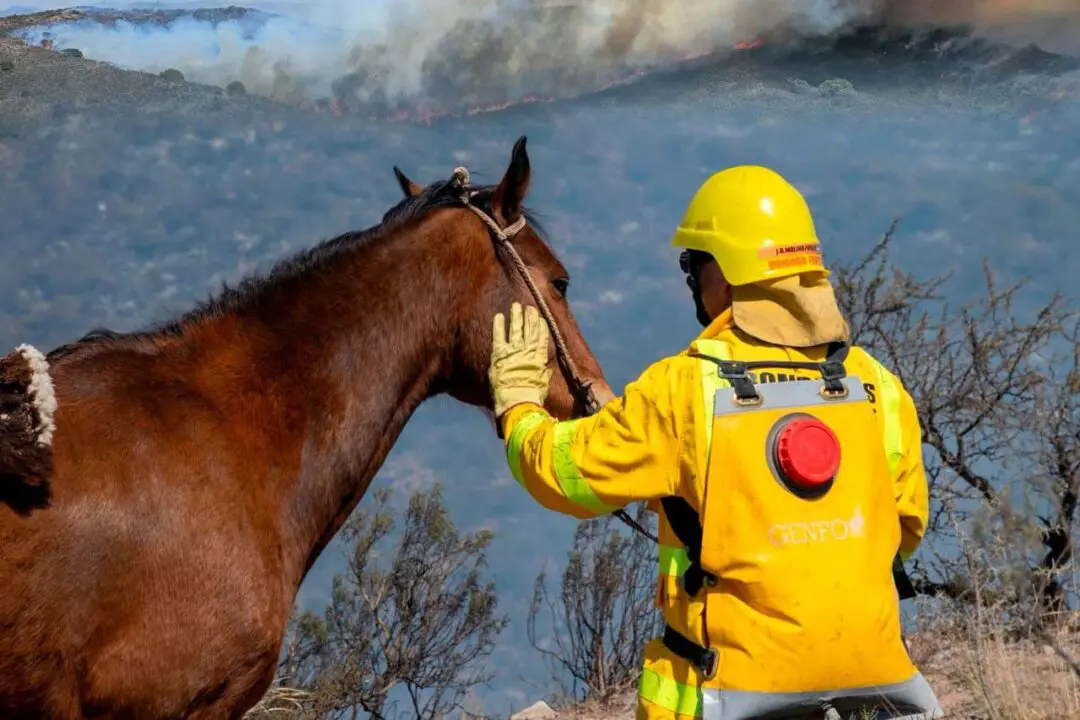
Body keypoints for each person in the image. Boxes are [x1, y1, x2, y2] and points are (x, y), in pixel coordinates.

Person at [488, 165, 944, 720]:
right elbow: (905, 529)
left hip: (723, 694)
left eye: (693, 263)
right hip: (876, 687)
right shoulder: (875, 385)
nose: (690, 279)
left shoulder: (685, 390)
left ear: (724, 274)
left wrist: (518, 402)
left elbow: (562, 476)